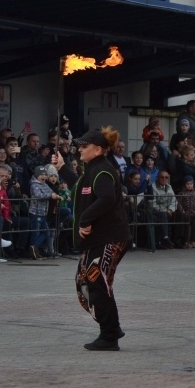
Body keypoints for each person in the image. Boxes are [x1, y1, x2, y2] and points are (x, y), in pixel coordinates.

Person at [53, 127, 129, 351]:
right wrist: (61, 168)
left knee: (96, 282)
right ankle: (110, 330)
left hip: (110, 238)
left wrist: (85, 220)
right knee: (85, 283)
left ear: (98, 150)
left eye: (84, 147)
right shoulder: (92, 170)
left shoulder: (103, 171)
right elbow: (81, 188)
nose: (79, 150)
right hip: (98, 239)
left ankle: (110, 334)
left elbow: (107, 198)